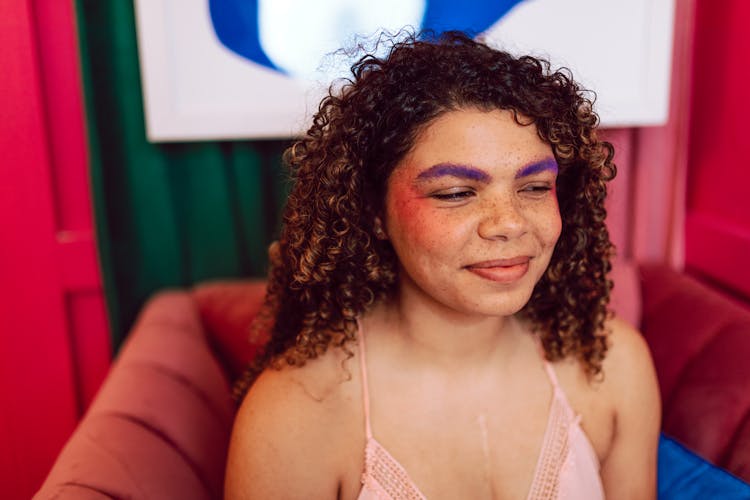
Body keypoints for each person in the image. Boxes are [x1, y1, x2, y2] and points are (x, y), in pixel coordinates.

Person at [224, 31, 660, 500]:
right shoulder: (296, 414)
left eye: (534, 187)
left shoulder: (614, 364)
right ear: (373, 211)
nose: (508, 224)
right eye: (456, 193)